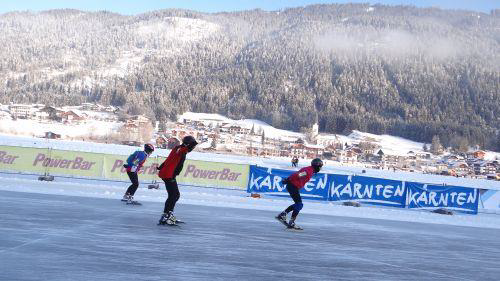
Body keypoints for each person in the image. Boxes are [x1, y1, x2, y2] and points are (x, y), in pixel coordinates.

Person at [157, 135, 198, 225]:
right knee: (174, 195)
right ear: (188, 145)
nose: (193, 148)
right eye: (193, 146)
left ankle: (166, 215)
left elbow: (169, 159)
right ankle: (167, 216)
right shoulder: (181, 149)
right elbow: (185, 149)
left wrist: (160, 167)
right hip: (169, 175)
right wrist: (194, 143)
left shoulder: (177, 148)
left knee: (174, 195)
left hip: (168, 174)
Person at [276, 158, 324, 229]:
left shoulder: (310, 170)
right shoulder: (308, 171)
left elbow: (298, 175)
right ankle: (288, 219)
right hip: (292, 186)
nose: (320, 168)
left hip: (293, 186)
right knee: (299, 204)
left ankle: (284, 216)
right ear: (316, 166)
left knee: (298, 204)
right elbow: (297, 175)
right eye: (320, 167)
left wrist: (288, 180)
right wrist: (288, 180)